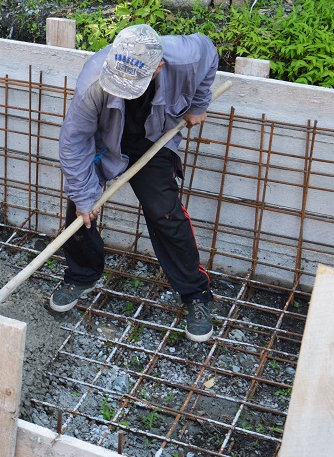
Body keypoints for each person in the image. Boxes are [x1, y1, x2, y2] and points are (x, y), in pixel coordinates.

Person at [50, 24, 218, 342]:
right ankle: (81, 275)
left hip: (153, 138)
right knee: (81, 207)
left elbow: (210, 52)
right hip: (106, 139)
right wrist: (85, 197)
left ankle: (195, 293)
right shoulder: (94, 79)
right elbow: (74, 142)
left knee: (164, 212)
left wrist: (199, 103)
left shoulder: (186, 55)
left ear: (158, 67)